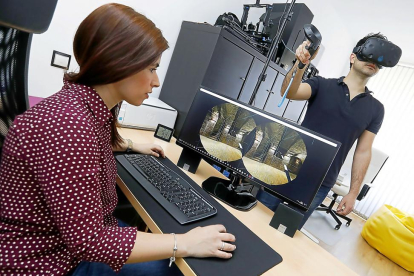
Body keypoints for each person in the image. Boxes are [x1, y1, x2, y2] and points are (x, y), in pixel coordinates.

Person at [0, 3, 236, 276]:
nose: (156, 81)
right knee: (179, 269)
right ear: (118, 63)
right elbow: (89, 242)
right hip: (49, 261)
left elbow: (90, 147)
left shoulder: (84, 106)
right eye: (151, 68)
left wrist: (133, 145)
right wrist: (183, 243)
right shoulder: (68, 126)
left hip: (67, 242)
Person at [256, 33, 388, 229]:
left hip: (320, 181)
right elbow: (289, 92)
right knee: (256, 216)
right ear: (353, 57)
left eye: (379, 60)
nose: (373, 62)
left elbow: (363, 151)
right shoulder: (322, 84)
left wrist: (353, 192)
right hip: (284, 165)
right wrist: (300, 64)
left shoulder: (376, 109)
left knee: (284, 231)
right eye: (368, 55)